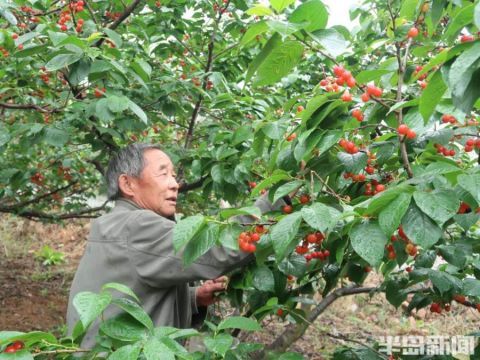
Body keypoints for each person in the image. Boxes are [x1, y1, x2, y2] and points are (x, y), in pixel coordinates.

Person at [66, 143, 255, 348]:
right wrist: (275, 203)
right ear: (128, 184)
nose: (175, 184)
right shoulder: (139, 225)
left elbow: (131, 294)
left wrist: (193, 298)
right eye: (163, 174)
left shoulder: (114, 223)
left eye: (173, 175)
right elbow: (219, 249)